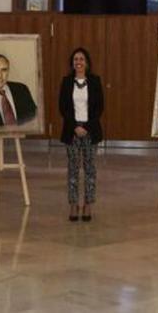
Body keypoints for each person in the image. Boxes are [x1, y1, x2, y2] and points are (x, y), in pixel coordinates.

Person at [58, 47, 104, 222]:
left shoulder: (95, 81)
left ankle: (88, 205)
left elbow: (99, 107)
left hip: (91, 131)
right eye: (76, 59)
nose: (78, 62)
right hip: (72, 131)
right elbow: (62, 107)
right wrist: (75, 127)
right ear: (72, 63)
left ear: (87, 63)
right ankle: (73, 204)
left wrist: (86, 126)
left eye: (81, 59)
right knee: (73, 169)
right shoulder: (66, 81)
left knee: (90, 169)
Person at [0, 53, 37, 127]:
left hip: (23, 137)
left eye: (4, 70)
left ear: (8, 71)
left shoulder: (21, 89)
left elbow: (34, 118)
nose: (0, 75)